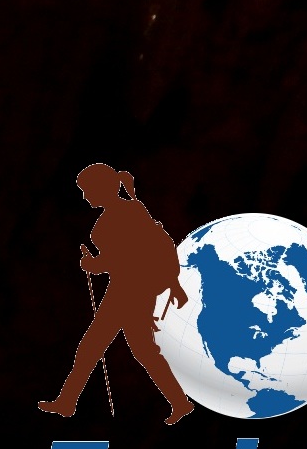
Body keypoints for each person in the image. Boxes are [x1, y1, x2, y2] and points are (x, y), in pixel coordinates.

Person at [40, 163, 195, 422]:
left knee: (100, 347)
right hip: (131, 291)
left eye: (87, 190)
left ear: (100, 189)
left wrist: (92, 264)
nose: (84, 196)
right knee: (129, 350)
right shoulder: (131, 210)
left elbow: (123, 258)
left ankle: (67, 402)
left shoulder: (120, 215)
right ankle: (180, 403)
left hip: (128, 292)